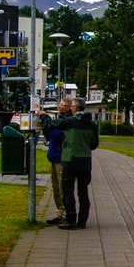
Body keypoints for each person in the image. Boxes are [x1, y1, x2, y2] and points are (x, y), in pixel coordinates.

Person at [40, 98, 99, 230]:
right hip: (85, 161)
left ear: (75, 108)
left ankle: (71, 219)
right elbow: (94, 144)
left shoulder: (70, 121)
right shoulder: (92, 124)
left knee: (68, 191)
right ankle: (82, 220)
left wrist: (44, 116)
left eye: (71, 106)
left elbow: (52, 125)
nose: (70, 108)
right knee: (83, 192)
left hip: (70, 160)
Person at [41, 99, 71, 225]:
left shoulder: (67, 121)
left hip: (61, 157)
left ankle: (65, 213)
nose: (61, 107)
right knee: (55, 187)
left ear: (70, 107)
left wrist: (45, 117)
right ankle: (60, 211)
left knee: (61, 186)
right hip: (53, 156)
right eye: (60, 105)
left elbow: (56, 133)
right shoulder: (59, 119)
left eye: (64, 105)